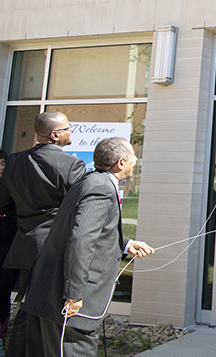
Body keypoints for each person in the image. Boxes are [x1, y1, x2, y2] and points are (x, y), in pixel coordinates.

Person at [22, 137, 153, 357]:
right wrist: (74, 295)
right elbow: (81, 240)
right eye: (133, 155)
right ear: (121, 162)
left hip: (49, 296)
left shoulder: (90, 181)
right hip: (66, 305)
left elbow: (84, 229)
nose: (136, 159)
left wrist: (126, 244)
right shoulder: (101, 188)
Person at [0, 112, 86, 357]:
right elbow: (80, 210)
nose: (71, 132)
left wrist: (25, 209)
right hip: (55, 248)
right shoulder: (72, 165)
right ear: (55, 134)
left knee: (31, 305)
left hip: (27, 244)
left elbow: (2, 203)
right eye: (68, 128)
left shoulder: (14, 161)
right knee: (50, 311)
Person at [0, 150, 18, 348]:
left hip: (6, 256)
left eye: (3, 162)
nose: (1, 167)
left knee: (3, 295)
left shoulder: (14, 192)